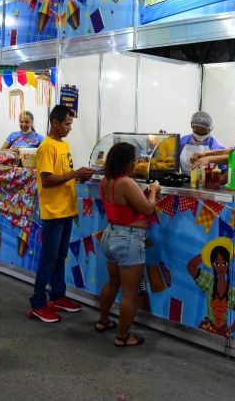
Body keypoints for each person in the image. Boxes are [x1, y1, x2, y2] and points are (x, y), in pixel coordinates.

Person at [28, 105, 93, 323]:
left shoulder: (63, 145)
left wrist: (77, 176)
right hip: (53, 211)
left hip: (66, 209)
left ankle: (57, 295)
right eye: (66, 124)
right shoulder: (46, 147)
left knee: (59, 257)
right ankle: (38, 303)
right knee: (48, 258)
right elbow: (46, 180)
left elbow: (63, 175)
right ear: (54, 123)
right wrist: (73, 174)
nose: (69, 128)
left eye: (71, 124)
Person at [96, 142, 161, 347]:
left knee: (112, 283)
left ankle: (103, 321)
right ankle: (123, 336)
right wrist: (154, 191)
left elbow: (124, 203)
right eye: (135, 160)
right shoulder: (126, 182)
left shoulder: (107, 181)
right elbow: (148, 209)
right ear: (127, 162)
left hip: (110, 235)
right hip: (129, 239)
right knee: (130, 292)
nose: (137, 163)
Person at [187, 239, 235, 338]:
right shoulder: (209, 281)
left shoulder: (232, 292)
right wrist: (205, 253)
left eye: (224, 263)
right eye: (217, 263)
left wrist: (230, 330)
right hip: (207, 327)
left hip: (222, 331)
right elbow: (190, 267)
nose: (221, 267)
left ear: (228, 265)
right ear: (213, 265)